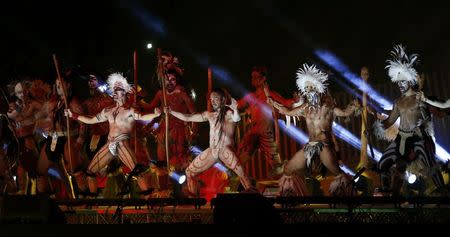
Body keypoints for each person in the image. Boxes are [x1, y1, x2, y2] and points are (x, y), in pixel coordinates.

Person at [268, 63, 361, 196]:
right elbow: (287, 112)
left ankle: (347, 198)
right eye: (306, 88)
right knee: (288, 169)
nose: (309, 91)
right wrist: (274, 104)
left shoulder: (327, 108)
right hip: (310, 146)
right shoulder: (305, 109)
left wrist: (353, 106)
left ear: (318, 88)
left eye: (311, 87)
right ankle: (292, 198)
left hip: (324, 145)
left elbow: (344, 112)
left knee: (337, 173)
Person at [65, 73, 161, 198]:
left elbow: (142, 116)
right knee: (90, 172)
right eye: (114, 88)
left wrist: (155, 114)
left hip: (122, 144)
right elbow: (91, 120)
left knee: (137, 172)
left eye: (119, 88)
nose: (115, 90)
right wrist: (73, 115)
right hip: (109, 144)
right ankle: (92, 203)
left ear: (125, 92)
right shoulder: (108, 110)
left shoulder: (130, 110)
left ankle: (150, 202)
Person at [373, 45, 446, 196]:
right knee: (382, 163)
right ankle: (388, 194)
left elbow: (437, 110)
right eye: (398, 82)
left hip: (418, 138)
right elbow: (389, 122)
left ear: (410, 80)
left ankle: (442, 191)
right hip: (401, 139)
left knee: (429, 163)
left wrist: (433, 113)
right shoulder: (398, 102)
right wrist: (377, 126)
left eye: (403, 81)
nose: (400, 85)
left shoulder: (420, 98)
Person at [166, 88, 255, 196]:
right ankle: (195, 202)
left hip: (225, 150)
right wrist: (171, 112)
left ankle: (253, 197)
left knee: (242, 173)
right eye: (211, 99)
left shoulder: (229, 113)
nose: (212, 101)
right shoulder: (209, 115)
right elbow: (188, 117)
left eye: (215, 98)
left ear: (222, 100)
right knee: (189, 172)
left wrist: (235, 109)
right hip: (212, 151)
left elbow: (236, 119)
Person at [237, 66, 294, 176]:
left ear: (263, 79)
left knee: (277, 166)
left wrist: (296, 101)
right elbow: (238, 104)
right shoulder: (251, 96)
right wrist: (223, 100)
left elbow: (286, 102)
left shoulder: (270, 95)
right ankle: (233, 176)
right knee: (241, 158)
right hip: (253, 132)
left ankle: (286, 181)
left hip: (265, 132)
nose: (253, 79)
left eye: (256, 77)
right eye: (252, 77)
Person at [7, 79, 48, 194]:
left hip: (31, 138)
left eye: (24, 91)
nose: (22, 94)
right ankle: (22, 192)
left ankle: (38, 193)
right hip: (18, 141)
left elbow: (46, 109)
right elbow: (13, 116)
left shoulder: (32, 104)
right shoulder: (13, 106)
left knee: (34, 168)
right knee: (20, 169)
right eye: (19, 93)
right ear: (15, 94)